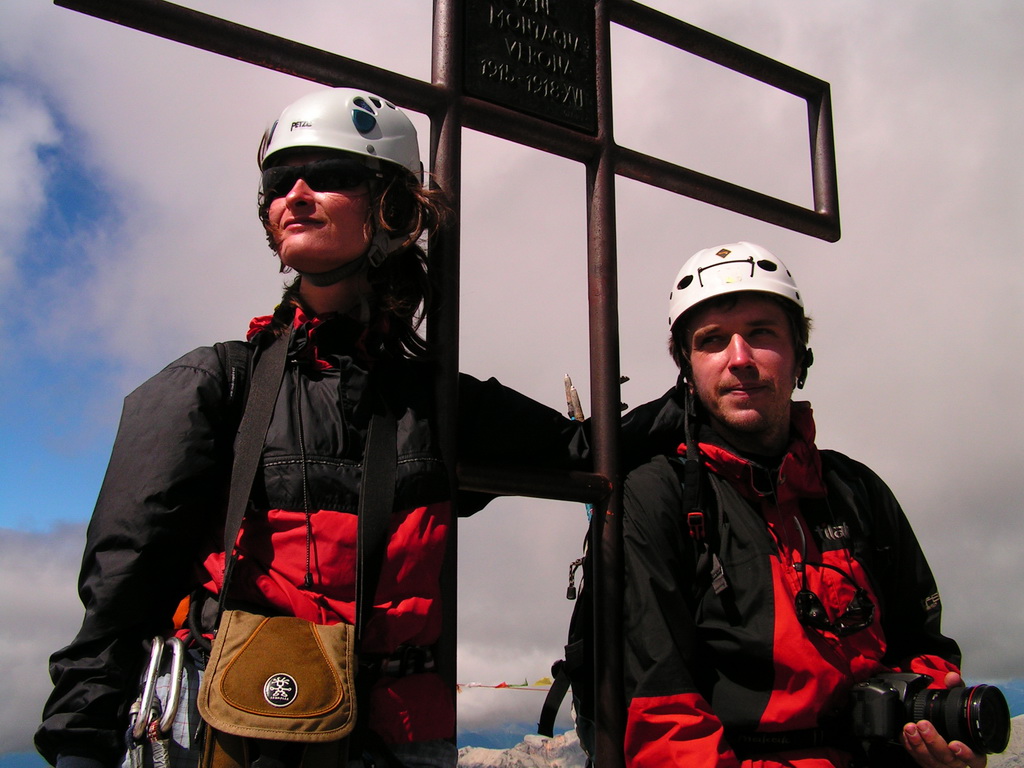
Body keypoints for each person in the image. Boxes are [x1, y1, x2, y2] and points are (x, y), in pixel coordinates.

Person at [35, 87, 584, 768]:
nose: (294, 194)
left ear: (391, 204)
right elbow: (122, 589)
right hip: (242, 731)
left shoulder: (436, 402)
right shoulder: (212, 385)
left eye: (327, 175)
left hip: (402, 741)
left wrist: (708, 385)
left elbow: (585, 452)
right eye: (278, 182)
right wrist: (80, 745)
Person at [619, 242, 985, 768]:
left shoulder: (856, 489)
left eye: (762, 333)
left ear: (800, 355)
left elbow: (923, 647)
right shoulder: (657, 497)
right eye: (712, 341)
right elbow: (663, 719)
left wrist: (935, 729)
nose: (739, 358)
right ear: (687, 369)